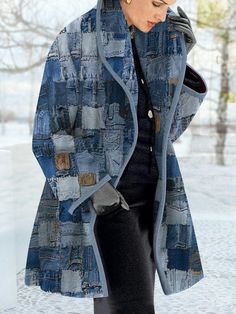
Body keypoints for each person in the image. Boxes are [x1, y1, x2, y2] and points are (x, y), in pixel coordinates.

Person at [24, 0, 208, 313]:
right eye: (156, 3)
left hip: (154, 198)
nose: (161, 15)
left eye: (168, 6)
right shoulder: (76, 39)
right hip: (108, 203)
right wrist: (98, 191)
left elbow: (169, 132)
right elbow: (48, 135)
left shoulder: (157, 41)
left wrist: (179, 62)